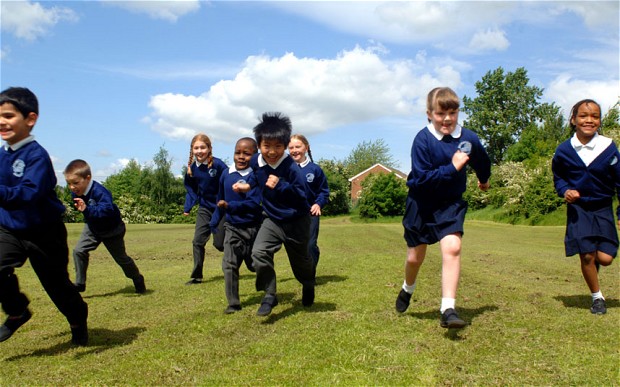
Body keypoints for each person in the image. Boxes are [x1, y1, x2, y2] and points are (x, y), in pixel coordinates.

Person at [395, 87, 491, 328]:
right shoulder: (423, 140)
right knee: (415, 257)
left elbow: (482, 159)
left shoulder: (469, 138)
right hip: (421, 203)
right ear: (429, 114)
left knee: (453, 247)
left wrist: (484, 178)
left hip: (450, 204)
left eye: (453, 112)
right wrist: (453, 167)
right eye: (440, 113)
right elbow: (422, 180)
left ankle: (448, 308)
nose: (447, 118)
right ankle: (408, 288)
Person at [0, 87, 88, 345]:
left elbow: (28, 194)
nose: (2, 122)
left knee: (57, 286)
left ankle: (77, 321)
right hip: (10, 229)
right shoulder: (3, 156)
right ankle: (17, 311)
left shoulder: (36, 156)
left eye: (8, 115)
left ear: (30, 119)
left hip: (44, 232)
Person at [236, 112, 316, 316]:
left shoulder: (291, 168)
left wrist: (280, 185)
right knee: (259, 252)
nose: (272, 151)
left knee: (301, 263)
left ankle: (308, 283)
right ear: (259, 145)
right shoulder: (255, 161)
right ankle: (270, 294)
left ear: (285, 146)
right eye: (266, 146)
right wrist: (247, 186)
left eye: (278, 147)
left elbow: (302, 197)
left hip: (297, 220)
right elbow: (256, 177)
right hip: (272, 219)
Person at [552, 99, 619, 315]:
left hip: (603, 208)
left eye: (595, 116)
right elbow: (558, 178)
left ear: (599, 120)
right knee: (587, 255)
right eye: (583, 116)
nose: (589, 120)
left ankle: (595, 267)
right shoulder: (564, 150)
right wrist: (565, 191)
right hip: (579, 209)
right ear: (573, 120)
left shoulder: (608, 148)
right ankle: (597, 298)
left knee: (605, 258)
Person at [64, 159, 146, 294]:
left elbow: (106, 211)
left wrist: (87, 209)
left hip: (112, 230)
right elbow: (87, 212)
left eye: (75, 183)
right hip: (93, 228)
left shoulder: (100, 192)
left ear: (88, 178)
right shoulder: (76, 193)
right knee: (79, 251)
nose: (72, 187)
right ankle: (80, 283)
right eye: (69, 184)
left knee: (121, 259)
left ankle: (137, 278)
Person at [209, 137, 262, 314]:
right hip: (232, 227)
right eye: (237, 152)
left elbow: (254, 203)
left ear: (255, 155)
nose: (241, 157)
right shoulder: (226, 174)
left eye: (246, 154)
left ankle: (267, 286)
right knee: (229, 264)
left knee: (255, 265)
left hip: (253, 228)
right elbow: (220, 200)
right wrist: (215, 221)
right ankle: (233, 303)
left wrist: (230, 206)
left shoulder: (257, 176)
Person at [183, 133, 227, 285]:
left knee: (220, 245)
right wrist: (188, 206)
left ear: (209, 149)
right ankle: (197, 276)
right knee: (197, 241)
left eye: (203, 147)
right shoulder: (191, 169)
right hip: (204, 209)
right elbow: (191, 189)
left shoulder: (218, 165)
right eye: (196, 148)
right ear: (192, 150)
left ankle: (238, 259)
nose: (200, 151)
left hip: (221, 209)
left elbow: (229, 181)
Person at [288, 134, 330, 268]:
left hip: (310, 213)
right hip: (291, 214)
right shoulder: (285, 169)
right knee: (296, 245)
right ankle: (302, 269)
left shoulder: (315, 169)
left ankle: (310, 272)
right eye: (291, 147)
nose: (294, 150)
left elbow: (323, 191)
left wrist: (319, 203)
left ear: (306, 148)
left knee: (310, 244)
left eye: (298, 146)